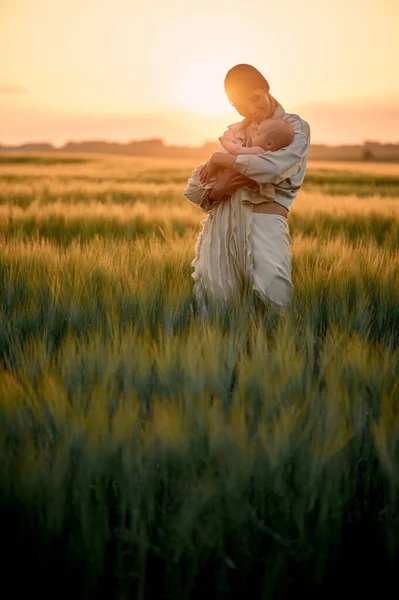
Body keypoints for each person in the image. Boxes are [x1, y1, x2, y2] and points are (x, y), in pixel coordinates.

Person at [184, 64, 311, 317]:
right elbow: (198, 187)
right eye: (242, 106)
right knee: (216, 308)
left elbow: (274, 168)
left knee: (274, 302)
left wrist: (223, 161)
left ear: (266, 88)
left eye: (254, 99)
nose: (252, 110)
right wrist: (219, 189)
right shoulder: (234, 133)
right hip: (221, 226)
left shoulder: (293, 128)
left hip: (265, 224)